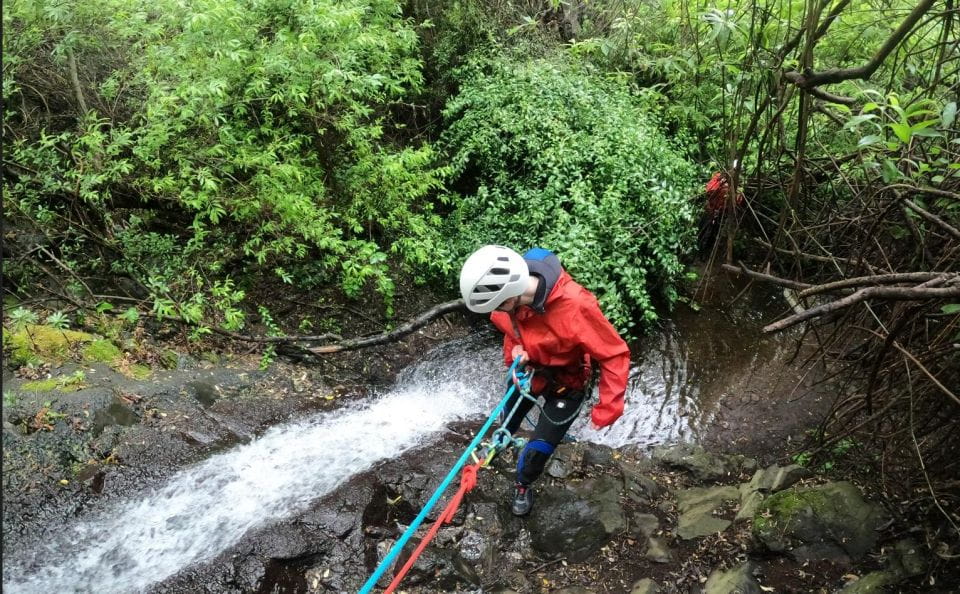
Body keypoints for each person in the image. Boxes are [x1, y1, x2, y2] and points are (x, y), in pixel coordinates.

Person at [459, 245, 631, 516]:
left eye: (498, 306)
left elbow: (614, 355)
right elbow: (511, 332)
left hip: (567, 383)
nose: (497, 312)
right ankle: (501, 442)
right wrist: (514, 354)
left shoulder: (576, 306)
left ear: (509, 297)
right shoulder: (509, 304)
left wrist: (608, 407)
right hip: (529, 373)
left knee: (539, 449)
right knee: (509, 418)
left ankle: (523, 484)